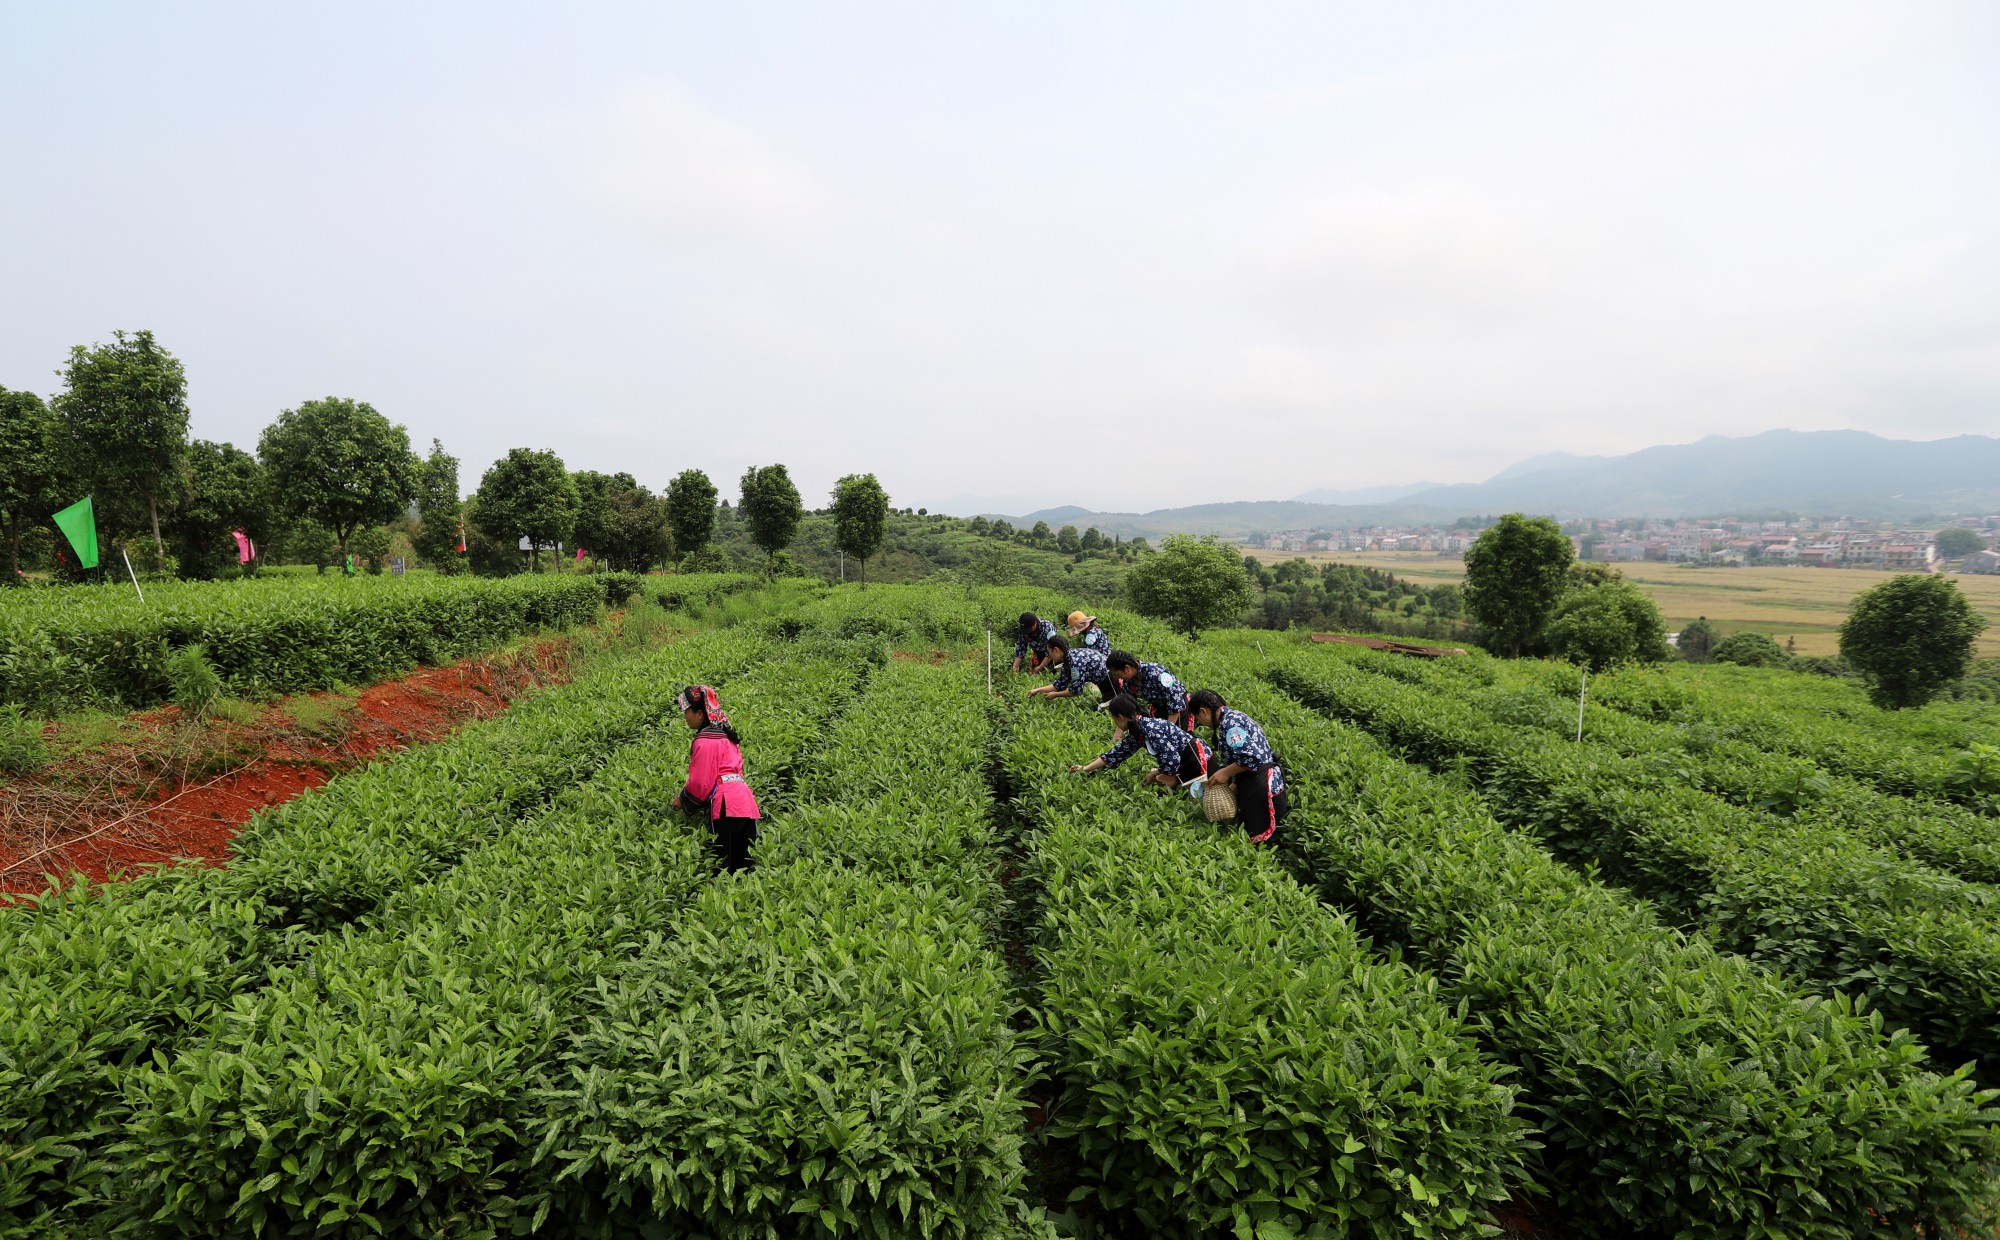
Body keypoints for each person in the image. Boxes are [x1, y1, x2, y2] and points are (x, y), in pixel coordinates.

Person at [673, 684, 761, 872]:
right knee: (744, 866)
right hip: (745, 803)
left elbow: (700, 783)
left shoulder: (705, 741)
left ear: (699, 714)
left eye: (687, 711)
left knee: (721, 869)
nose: (685, 716)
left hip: (725, 807)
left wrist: (682, 800)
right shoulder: (726, 736)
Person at [1189, 689, 1288, 844]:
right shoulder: (1231, 719)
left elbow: (1251, 757)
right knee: (1250, 839)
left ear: (1203, 711)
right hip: (1258, 787)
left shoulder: (1230, 724)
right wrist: (1234, 785)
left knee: (1255, 842)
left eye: (1198, 718)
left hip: (1263, 790)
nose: (1201, 723)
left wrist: (1225, 773)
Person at [1070, 693, 1211, 788]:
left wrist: (1157, 773)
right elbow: (1115, 754)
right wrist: (1085, 768)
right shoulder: (1138, 730)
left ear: (1120, 717)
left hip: (1198, 759)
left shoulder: (1150, 730)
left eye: (1113, 718)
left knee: (1166, 785)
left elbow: (1172, 759)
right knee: (1160, 781)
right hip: (1184, 761)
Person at [1105, 650, 1190, 727]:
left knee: (1178, 739)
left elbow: (1175, 702)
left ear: (1127, 668)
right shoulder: (1128, 681)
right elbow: (1127, 706)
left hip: (1179, 708)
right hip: (1159, 708)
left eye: (1118, 675)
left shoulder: (1156, 673)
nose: (1119, 678)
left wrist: (1167, 729)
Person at [1028, 634, 1116, 703]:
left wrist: (1055, 695)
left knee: (1113, 704)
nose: (1049, 655)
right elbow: (1060, 684)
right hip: (1103, 678)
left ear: (1056, 650)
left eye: (1049, 652)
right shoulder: (1068, 659)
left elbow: (1076, 690)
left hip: (1109, 676)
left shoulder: (1075, 661)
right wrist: (1037, 690)